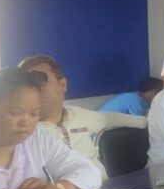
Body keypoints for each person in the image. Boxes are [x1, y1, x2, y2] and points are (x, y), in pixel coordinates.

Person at [18, 54, 147, 178]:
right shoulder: (24, 134)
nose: (34, 89)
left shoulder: (78, 115)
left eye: (40, 80)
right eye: (28, 83)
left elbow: (107, 119)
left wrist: (147, 122)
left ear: (63, 85)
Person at [98, 77, 164, 116]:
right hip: (104, 133)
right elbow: (139, 127)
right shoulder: (137, 101)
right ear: (154, 92)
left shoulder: (133, 97)